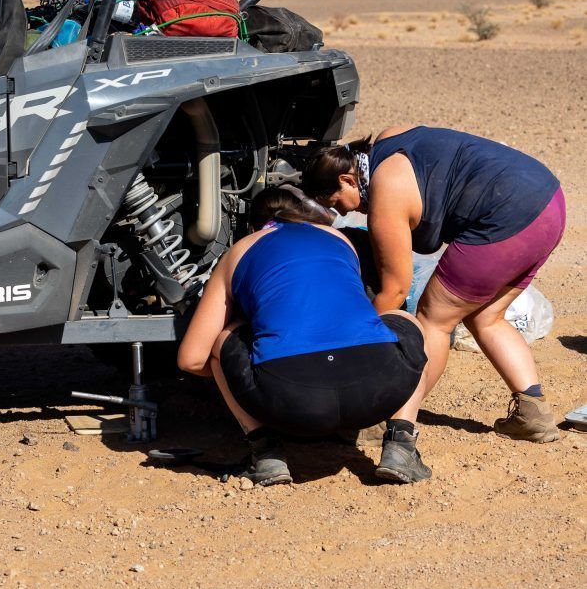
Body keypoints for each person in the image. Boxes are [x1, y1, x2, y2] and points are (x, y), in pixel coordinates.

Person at [301, 126, 566, 446]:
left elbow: (395, 290)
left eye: (336, 201)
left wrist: (354, 345)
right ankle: (532, 413)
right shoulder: (388, 141)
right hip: (549, 203)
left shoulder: (386, 192)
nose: (342, 211)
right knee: (485, 316)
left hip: (506, 216)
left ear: (347, 179)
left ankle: (391, 418)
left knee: (434, 320)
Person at [177, 187, 430, 485]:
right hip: (376, 391)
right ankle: (400, 444)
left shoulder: (240, 250)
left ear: (252, 226)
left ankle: (266, 454)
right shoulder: (338, 238)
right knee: (403, 319)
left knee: (224, 338)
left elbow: (191, 360)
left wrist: (247, 371)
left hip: (292, 404)